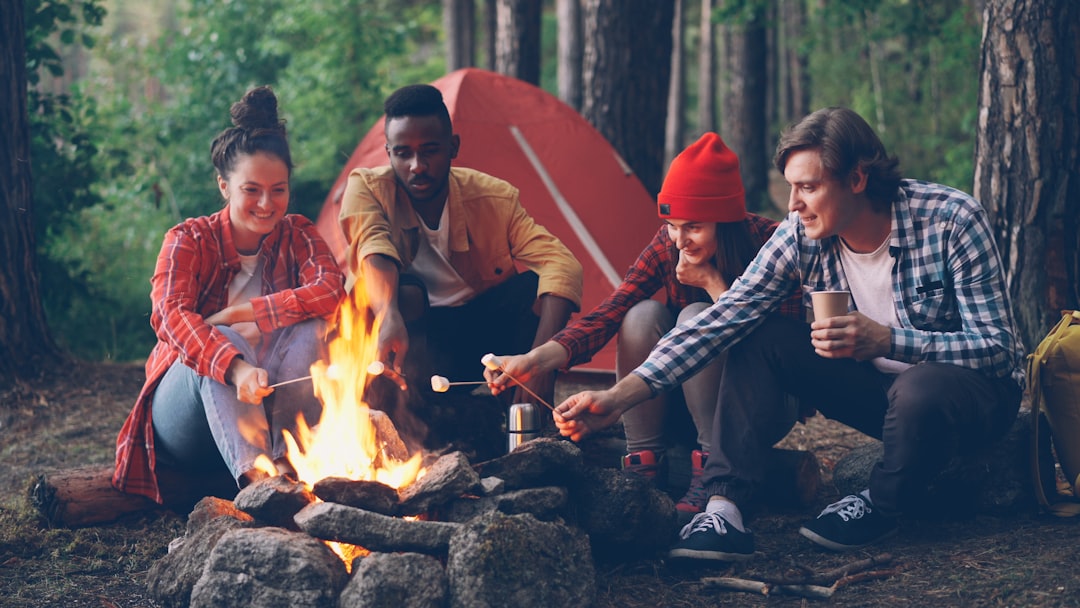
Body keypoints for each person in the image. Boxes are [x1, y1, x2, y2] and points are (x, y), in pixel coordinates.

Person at [553, 107, 1025, 560]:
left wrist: (887, 340)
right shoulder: (802, 232)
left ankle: (880, 503)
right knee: (757, 334)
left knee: (919, 384)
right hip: (880, 397)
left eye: (808, 187)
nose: (793, 204)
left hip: (966, 398)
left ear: (857, 179)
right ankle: (724, 508)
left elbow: (1000, 350)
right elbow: (726, 316)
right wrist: (618, 398)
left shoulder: (950, 219)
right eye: (790, 188)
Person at [484, 133, 800, 516]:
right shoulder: (668, 246)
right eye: (672, 224)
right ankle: (643, 464)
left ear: (725, 220)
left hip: (757, 411)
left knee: (694, 317)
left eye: (694, 227)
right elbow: (611, 312)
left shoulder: (771, 244)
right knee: (641, 314)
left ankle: (713, 472)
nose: (680, 240)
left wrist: (712, 284)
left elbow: (779, 348)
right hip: (682, 405)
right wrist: (535, 360)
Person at [112, 86, 346, 503]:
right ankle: (262, 489)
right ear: (224, 185)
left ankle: (291, 471)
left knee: (314, 328)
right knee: (222, 339)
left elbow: (331, 290)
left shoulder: (298, 234)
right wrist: (235, 368)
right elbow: (170, 318)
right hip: (191, 419)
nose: (266, 203)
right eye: (251, 189)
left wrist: (249, 311)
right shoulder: (188, 239)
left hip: (275, 410)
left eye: (278, 189)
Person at [338, 84, 583, 449]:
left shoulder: (493, 197)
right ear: (388, 153)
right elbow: (372, 244)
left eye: (430, 151)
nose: (417, 166)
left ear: (453, 147)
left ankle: (520, 414)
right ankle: (399, 420)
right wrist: (387, 312)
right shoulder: (368, 188)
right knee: (404, 293)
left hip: (476, 343)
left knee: (533, 287)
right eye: (403, 153)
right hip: (404, 348)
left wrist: (541, 361)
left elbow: (562, 263)